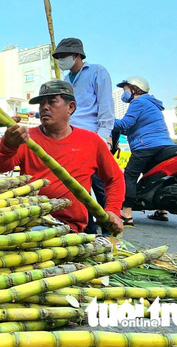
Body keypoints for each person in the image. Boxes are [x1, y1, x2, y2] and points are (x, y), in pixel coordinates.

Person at [0, 80, 124, 234]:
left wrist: (113, 209)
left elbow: (114, 178)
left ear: (71, 107)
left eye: (52, 102)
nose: (44, 107)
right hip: (29, 222)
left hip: (72, 228)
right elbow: (1, 167)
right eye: (41, 103)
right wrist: (8, 145)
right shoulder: (25, 137)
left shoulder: (91, 141)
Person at [52, 37, 114, 234]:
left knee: (101, 186)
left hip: (93, 136)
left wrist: (104, 136)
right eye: (58, 57)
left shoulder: (97, 72)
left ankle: (110, 230)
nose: (61, 60)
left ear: (76, 55)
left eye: (63, 56)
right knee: (78, 188)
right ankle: (88, 230)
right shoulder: (64, 81)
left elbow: (105, 105)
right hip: (70, 137)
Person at [113, 76, 175, 226]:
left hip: (146, 146)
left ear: (135, 89)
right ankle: (162, 211)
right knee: (154, 177)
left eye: (125, 89)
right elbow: (132, 128)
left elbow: (124, 123)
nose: (124, 92)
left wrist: (105, 118)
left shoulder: (138, 102)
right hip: (164, 145)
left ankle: (126, 215)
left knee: (130, 176)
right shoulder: (152, 103)